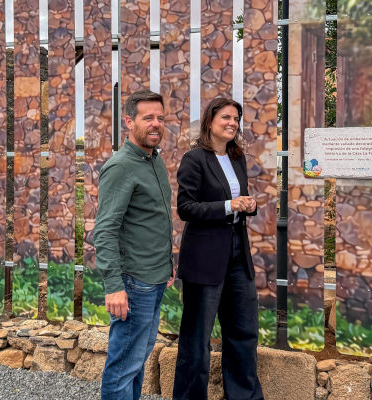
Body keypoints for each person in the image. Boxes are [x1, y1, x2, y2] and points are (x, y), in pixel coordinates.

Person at [172, 97, 264, 400]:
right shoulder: (194, 159)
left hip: (238, 253)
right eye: (226, 117)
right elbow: (186, 208)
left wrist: (248, 204)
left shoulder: (237, 158)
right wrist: (228, 206)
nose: (232, 123)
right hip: (205, 257)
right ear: (210, 121)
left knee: (244, 331)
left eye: (236, 118)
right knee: (197, 337)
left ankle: (244, 396)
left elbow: (238, 199)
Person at [96, 89, 176, 400]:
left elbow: (152, 220)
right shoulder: (121, 167)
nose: (156, 124)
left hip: (154, 278)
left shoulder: (154, 161)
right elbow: (105, 231)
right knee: (123, 367)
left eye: (160, 118)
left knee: (137, 360)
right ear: (129, 122)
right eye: (148, 118)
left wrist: (167, 265)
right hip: (133, 284)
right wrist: (114, 287)